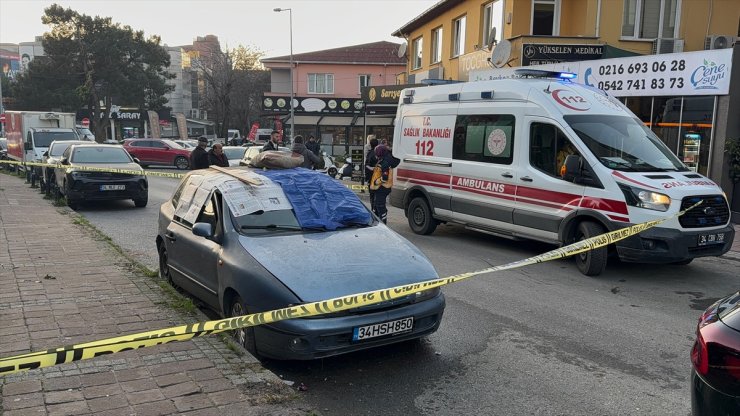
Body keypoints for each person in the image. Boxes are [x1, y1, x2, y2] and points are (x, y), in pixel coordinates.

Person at [370, 144, 400, 224]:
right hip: (383, 187)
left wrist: (376, 181)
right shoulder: (386, 159)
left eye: (376, 152)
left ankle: (383, 223)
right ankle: (377, 222)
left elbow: (384, 178)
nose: (375, 154)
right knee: (377, 205)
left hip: (382, 187)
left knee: (380, 205)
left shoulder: (385, 162)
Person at [364, 137, 379, 211]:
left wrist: (367, 178)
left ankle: (373, 209)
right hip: (380, 178)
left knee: (372, 195)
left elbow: (367, 165)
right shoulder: (381, 153)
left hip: (371, 178)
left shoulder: (370, 153)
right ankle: (377, 209)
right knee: (378, 194)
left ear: (370, 145)